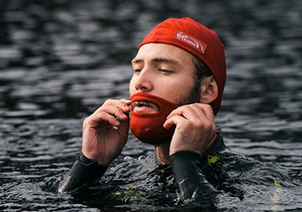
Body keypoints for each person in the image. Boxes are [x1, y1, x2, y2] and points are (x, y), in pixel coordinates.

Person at [58, 17, 231, 202]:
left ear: (208, 90)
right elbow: (59, 210)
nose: (140, 83)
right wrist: (90, 163)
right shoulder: (126, 172)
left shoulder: (247, 178)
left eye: (164, 70)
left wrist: (185, 160)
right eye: (137, 70)